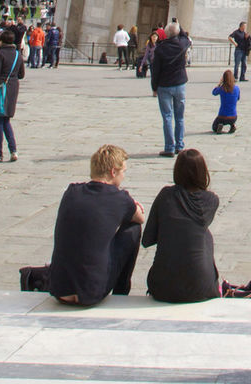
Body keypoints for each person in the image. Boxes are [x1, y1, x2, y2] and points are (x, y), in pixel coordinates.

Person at [48, 144, 144, 306]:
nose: (123, 177)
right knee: (132, 230)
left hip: (60, 289)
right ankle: (122, 291)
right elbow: (140, 218)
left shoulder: (71, 191)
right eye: (123, 172)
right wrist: (131, 204)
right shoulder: (120, 198)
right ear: (113, 172)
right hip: (91, 292)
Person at [142, 148, 220, 302]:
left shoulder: (166, 195)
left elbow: (147, 239)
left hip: (163, 287)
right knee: (203, 234)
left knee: (201, 233)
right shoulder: (211, 200)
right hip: (202, 288)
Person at [0, 28, 26, 162]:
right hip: (12, 88)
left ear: (1, 41)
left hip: (0, 88)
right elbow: (21, 75)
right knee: (6, 119)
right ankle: (13, 150)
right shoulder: (17, 54)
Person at [151, 22, 191, 156]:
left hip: (164, 85)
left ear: (165, 34)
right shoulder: (182, 44)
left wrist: (154, 87)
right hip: (179, 84)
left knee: (167, 117)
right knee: (180, 117)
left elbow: (155, 70)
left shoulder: (160, 49)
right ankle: (179, 145)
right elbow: (185, 37)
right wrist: (179, 26)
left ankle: (169, 147)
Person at [211, 69, 240, 134]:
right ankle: (232, 125)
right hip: (233, 116)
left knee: (214, 127)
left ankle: (220, 125)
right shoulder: (237, 88)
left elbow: (214, 92)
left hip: (222, 116)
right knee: (231, 119)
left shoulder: (222, 88)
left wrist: (219, 84)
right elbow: (238, 98)